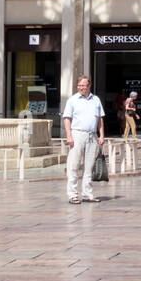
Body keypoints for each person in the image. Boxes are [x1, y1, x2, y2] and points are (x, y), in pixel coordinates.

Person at [62, 76, 105, 204]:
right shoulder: (72, 100)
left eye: (83, 86)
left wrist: (101, 135)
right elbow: (67, 118)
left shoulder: (96, 100)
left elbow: (100, 119)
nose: (81, 88)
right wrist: (69, 135)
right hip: (77, 134)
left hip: (92, 135)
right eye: (79, 85)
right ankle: (72, 195)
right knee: (73, 165)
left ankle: (87, 194)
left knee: (89, 166)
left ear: (89, 86)